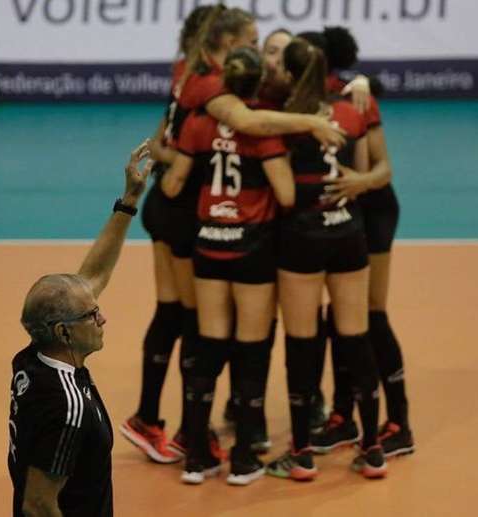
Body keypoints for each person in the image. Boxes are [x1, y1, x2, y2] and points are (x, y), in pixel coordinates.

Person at [162, 46, 295, 486]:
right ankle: (243, 457)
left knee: (208, 344)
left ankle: (197, 455)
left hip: (208, 244)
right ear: (256, 85)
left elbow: (174, 180)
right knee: (251, 349)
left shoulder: (198, 124)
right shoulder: (263, 130)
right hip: (251, 247)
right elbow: (287, 194)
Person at [264, 38, 387, 480]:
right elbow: (364, 169)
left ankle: (301, 453)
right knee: (355, 339)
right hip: (348, 232)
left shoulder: (279, 119)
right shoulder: (352, 109)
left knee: (302, 343)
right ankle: (372, 448)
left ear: (292, 75)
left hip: (302, 235)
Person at [8, 142, 152, 517]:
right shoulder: (68, 406)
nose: (103, 318)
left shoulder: (33, 358)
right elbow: (39, 505)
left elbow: (93, 276)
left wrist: (128, 201)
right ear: (64, 333)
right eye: (92, 315)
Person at [304, 27, 415, 459]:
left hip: (372, 209)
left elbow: (381, 171)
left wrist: (360, 182)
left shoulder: (354, 95)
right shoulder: (297, 98)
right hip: (338, 217)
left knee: (371, 315)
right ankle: (343, 416)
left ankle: (399, 422)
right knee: (340, 320)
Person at [121, 4, 214, 466]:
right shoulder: (208, 89)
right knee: (195, 320)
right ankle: (192, 431)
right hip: (182, 212)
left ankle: (150, 419)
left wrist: (171, 156)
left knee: (172, 313)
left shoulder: (185, 79)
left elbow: (158, 142)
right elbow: (167, 149)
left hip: (166, 208)